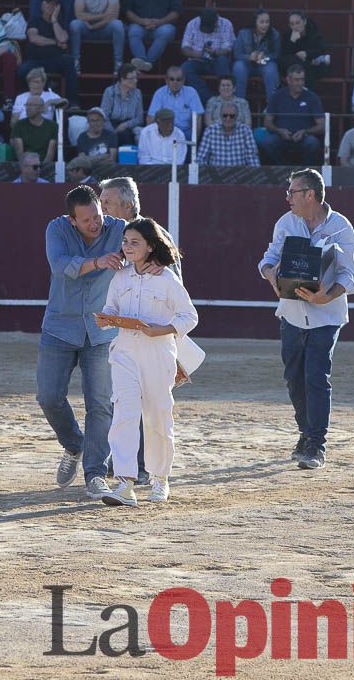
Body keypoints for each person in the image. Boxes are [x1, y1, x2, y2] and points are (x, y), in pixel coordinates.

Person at [259, 168, 354, 470]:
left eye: (292, 191)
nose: (288, 197)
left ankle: (317, 442)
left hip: (326, 314)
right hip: (291, 312)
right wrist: (271, 276)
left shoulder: (340, 225)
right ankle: (306, 432)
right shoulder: (285, 222)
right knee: (294, 378)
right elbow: (269, 258)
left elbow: (347, 274)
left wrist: (325, 297)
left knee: (316, 376)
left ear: (310, 195)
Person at [40, 185, 134, 500]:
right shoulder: (56, 228)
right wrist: (98, 262)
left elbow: (146, 241)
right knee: (48, 397)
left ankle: (95, 474)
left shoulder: (118, 229)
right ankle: (74, 444)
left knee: (101, 403)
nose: (95, 224)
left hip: (102, 330)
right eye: (87, 220)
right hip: (60, 326)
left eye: (98, 216)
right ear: (72, 221)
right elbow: (60, 266)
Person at [96, 217, 196, 507]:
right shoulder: (120, 277)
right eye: (125, 242)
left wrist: (160, 330)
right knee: (125, 412)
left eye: (135, 242)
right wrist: (106, 319)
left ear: (150, 247)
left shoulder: (166, 279)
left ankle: (160, 478)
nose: (127, 247)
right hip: (125, 351)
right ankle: (125, 483)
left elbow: (189, 317)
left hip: (158, 353)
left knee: (157, 417)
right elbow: (110, 308)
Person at [19, 0, 79, 106]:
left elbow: (63, 38)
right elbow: (34, 38)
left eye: (54, 5)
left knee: (68, 61)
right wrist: (55, 42)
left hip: (54, 60)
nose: (51, 6)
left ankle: (72, 102)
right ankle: (24, 102)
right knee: (22, 70)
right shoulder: (34, 21)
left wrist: (54, 20)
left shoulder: (60, 22)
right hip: (35, 60)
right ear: (42, 5)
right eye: (48, 3)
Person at [123, 0, 181, 73]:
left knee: (165, 31)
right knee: (133, 31)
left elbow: (176, 11)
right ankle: (143, 61)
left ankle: (147, 63)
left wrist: (160, 22)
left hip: (163, 25)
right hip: (140, 25)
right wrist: (142, 21)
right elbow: (127, 11)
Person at [261, 65, 325, 166]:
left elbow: (322, 126)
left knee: (312, 143)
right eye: (296, 80)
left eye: (302, 80)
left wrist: (305, 132)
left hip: (304, 137)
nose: (300, 83)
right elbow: (267, 122)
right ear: (288, 80)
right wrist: (279, 131)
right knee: (267, 143)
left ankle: (304, 173)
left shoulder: (312, 97)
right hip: (281, 136)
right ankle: (283, 170)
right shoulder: (277, 96)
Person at [70, 0, 124, 76]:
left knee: (118, 25)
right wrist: (103, 15)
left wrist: (94, 24)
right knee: (75, 24)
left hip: (103, 28)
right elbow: (79, 14)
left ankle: (118, 64)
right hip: (87, 27)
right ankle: (75, 62)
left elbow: (114, 15)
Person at [179, 7, 234, 104]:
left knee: (222, 61)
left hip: (217, 59)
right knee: (185, 68)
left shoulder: (226, 24)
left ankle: (226, 99)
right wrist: (197, 54)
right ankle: (210, 101)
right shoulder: (192, 24)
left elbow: (228, 49)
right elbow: (184, 48)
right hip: (197, 59)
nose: (207, 31)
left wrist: (215, 52)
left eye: (209, 28)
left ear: (216, 21)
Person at [232, 9, 281, 102]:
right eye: (262, 22)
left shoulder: (275, 34)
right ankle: (239, 103)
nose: (265, 25)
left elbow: (277, 55)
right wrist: (249, 57)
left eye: (267, 22)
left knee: (272, 69)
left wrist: (265, 57)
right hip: (247, 64)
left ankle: (271, 106)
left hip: (265, 64)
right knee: (238, 66)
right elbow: (237, 54)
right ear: (255, 22)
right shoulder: (243, 33)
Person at [147, 66, 203, 141]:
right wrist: (153, 137)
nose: (175, 82)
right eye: (172, 79)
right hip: (164, 131)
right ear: (166, 80)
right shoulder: (159, 93)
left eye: (178, 79)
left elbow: (198, 118)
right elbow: (151, 118)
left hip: (185, 132)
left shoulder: (191, 93)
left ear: (183, 81)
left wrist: (195, 140)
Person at [197, 101, 259, 166]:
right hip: (215, 175)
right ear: (220, 116)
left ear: (237, 117)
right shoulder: (210, 131)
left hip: (239, 175)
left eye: (232, 116)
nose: (228, 118)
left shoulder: (246, 131)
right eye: (225, 115)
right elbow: (201, 158)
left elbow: (252, 158)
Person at [278, 11, 329, 86]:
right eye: (292, 24)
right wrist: (292, 41)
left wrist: (306, 53)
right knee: (292, 62)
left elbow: (321, 50)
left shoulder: (313, 32)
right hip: (294, 65)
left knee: (312, 66)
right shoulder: (287, 34)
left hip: (311, 63)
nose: (295, 26)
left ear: (304, 21)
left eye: (297, 23)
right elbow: (284, 55)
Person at [101, 62, 143, 146]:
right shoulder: (109, 92)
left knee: (139, 134)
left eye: (136, 77)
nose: (136, 80)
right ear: (122, 79)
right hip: (112, 125)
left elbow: (139, 118)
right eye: (132, 78)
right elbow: (104, 116)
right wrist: (113, 132)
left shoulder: (137, 93)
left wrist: (125, 125)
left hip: (129, 126)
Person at [12, 96, 58, 162]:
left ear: (41, 108)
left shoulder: (53, 126)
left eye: (32, 105)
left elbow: (50, 154)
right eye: (27, 105)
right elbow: (19, 153)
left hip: (45, 166)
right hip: (25, 165)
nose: (28, 108)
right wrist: (27, 167)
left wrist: (41, 168)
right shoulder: (19, 125)